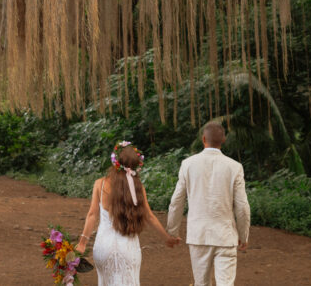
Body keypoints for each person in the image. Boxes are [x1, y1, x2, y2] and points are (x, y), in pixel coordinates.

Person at [76, 141, 181, 285]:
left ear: (114, 161)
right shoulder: (137, 187)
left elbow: (92, 215)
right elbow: (149, 216)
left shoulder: (100, 184)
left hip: (103, 248)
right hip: (128, 248)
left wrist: (82, 243)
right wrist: (167, 237)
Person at [166, 122, 250, 286]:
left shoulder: (188, 164)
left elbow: (176, 201)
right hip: (226, 236)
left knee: (201, 283)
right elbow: (242, 206)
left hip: (199, 235)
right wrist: (243, 234)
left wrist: (172, 230)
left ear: (203, 139)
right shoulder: (235, 167)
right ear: (223, 140)